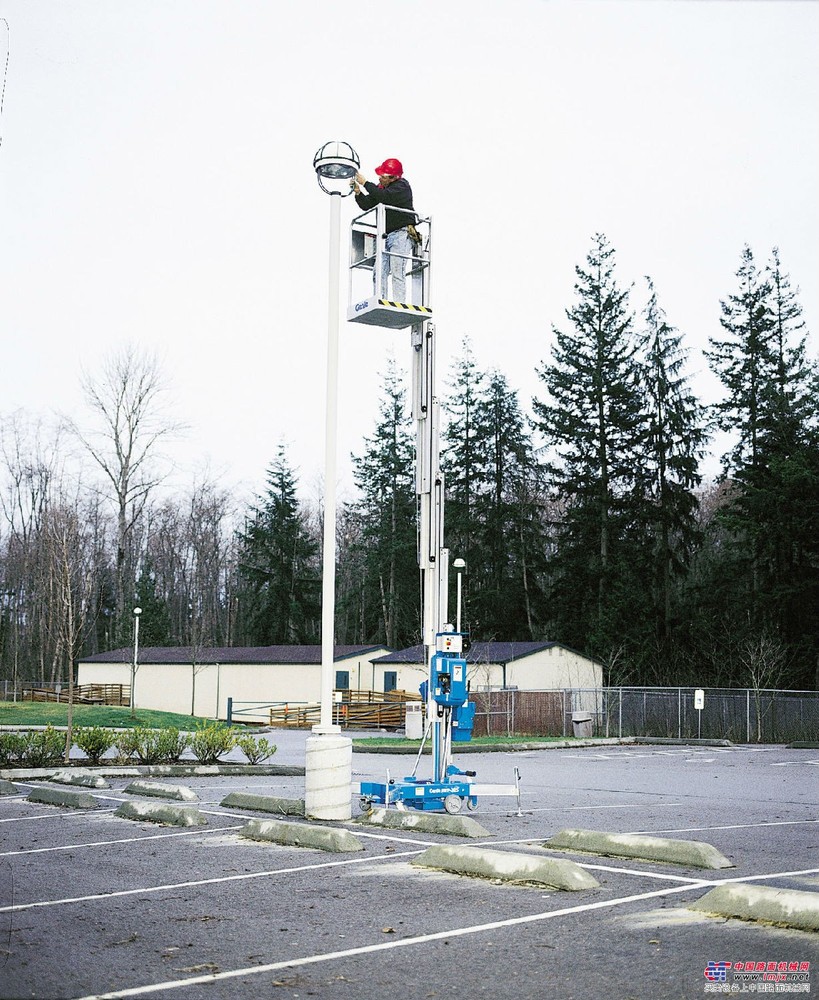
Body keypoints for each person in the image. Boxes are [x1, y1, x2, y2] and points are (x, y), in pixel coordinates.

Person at [353, 157, 416, 303]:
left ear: (393, 177)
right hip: (385, 236)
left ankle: (399, 303)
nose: (380, 178)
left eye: (383, 176)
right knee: (379, 271)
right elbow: (367, 204)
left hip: (401, 234)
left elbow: (384, 197)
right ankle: (380, 300)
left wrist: (365, 183)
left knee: (397, 269)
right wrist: (358, 192)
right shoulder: (382, 189)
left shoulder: (402, 186)